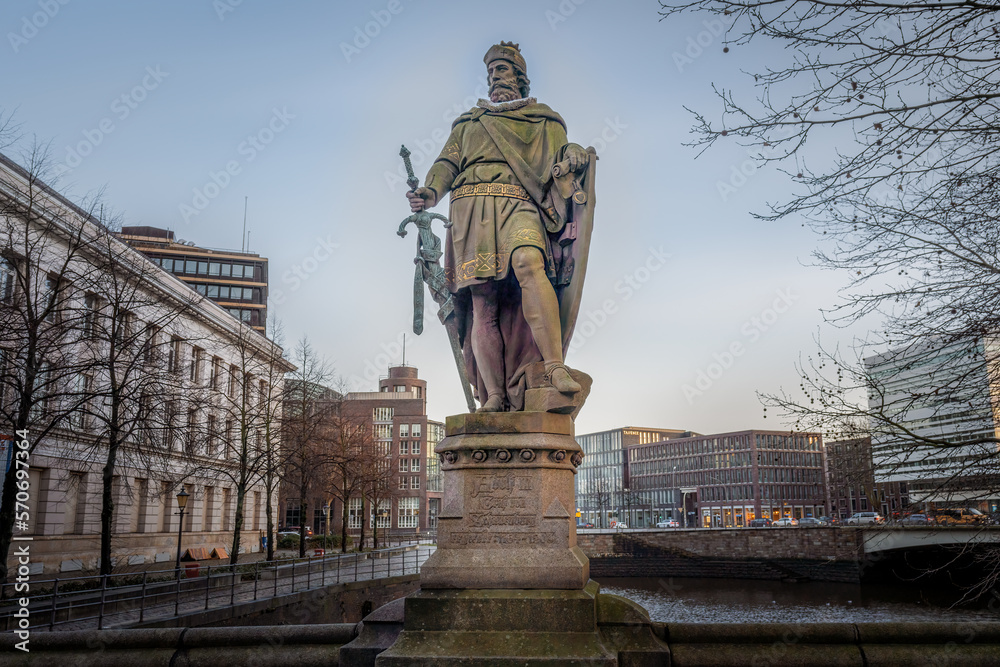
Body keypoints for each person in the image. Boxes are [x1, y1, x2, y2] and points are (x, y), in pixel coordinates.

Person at [406, 42, 595, 412]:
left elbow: (560, 158)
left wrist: (574, 152)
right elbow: (447, 162)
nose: (495, 76)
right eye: (491, 71)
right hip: (470, 210)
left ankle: (554, 366)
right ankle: (493, 395)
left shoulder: (544, 120)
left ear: (520, 78)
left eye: (503, 70)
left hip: (518, 203)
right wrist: (430, 191)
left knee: (529, 263)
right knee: (483, 302)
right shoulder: (468, 123)